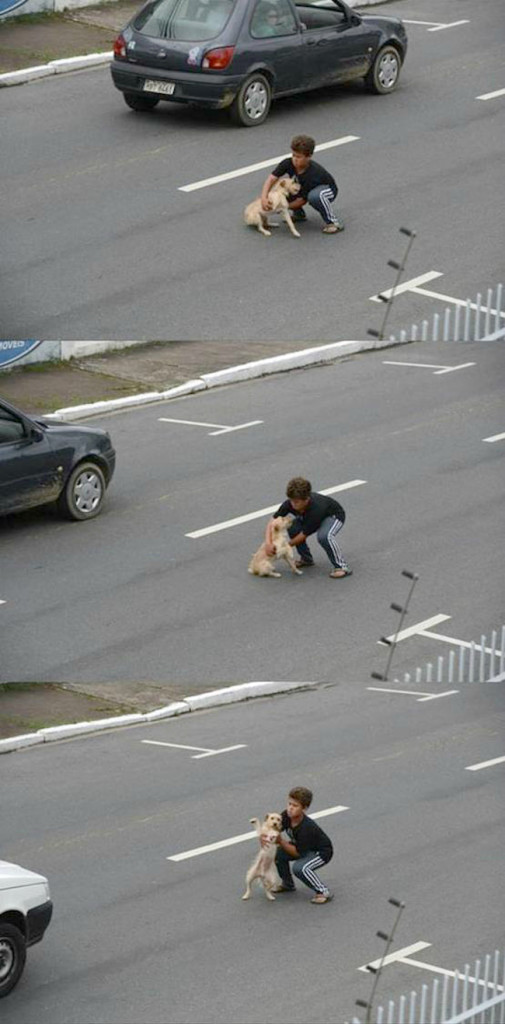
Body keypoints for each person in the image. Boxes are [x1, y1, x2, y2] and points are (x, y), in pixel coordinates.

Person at [265, 476, 352, 578]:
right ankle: (306, 559)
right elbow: (272, 521)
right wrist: (268, 543)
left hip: (332, 516)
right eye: (291, 500)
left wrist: (283, 547)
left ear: (306, 499)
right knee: (292, 527)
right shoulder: (289, 503)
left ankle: (341, 567)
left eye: (296, 502)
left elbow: (303, 535)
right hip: (309, 518)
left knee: (324, 536)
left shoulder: (316, 508)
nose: (292, 504)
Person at [260, 133, 344, 234]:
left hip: (327, 190)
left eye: (299, 157)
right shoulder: (287, 163)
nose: (295, 159)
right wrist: (264, 198)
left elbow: (302, 200)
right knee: (284, 190)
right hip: (303, 188)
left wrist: (281, 208)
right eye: (293, 155)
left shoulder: (313, 173)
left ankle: (333, 222)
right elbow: (271, 179)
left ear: (309, 157)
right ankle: (299, 214)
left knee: (314, 197)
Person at [272, 786, 334, 904]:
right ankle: (288, 884)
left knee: (300, 868)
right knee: (277, 853)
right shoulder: (286, 816)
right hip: (302, 847)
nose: (290, 808)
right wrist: (267, 835)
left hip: (320, 853)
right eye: (289, 804)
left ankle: (323, 891)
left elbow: (298, 853)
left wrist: (280, 841)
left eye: (295, 806)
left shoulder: (307, 827)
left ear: (304, 808)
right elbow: (274, 829)